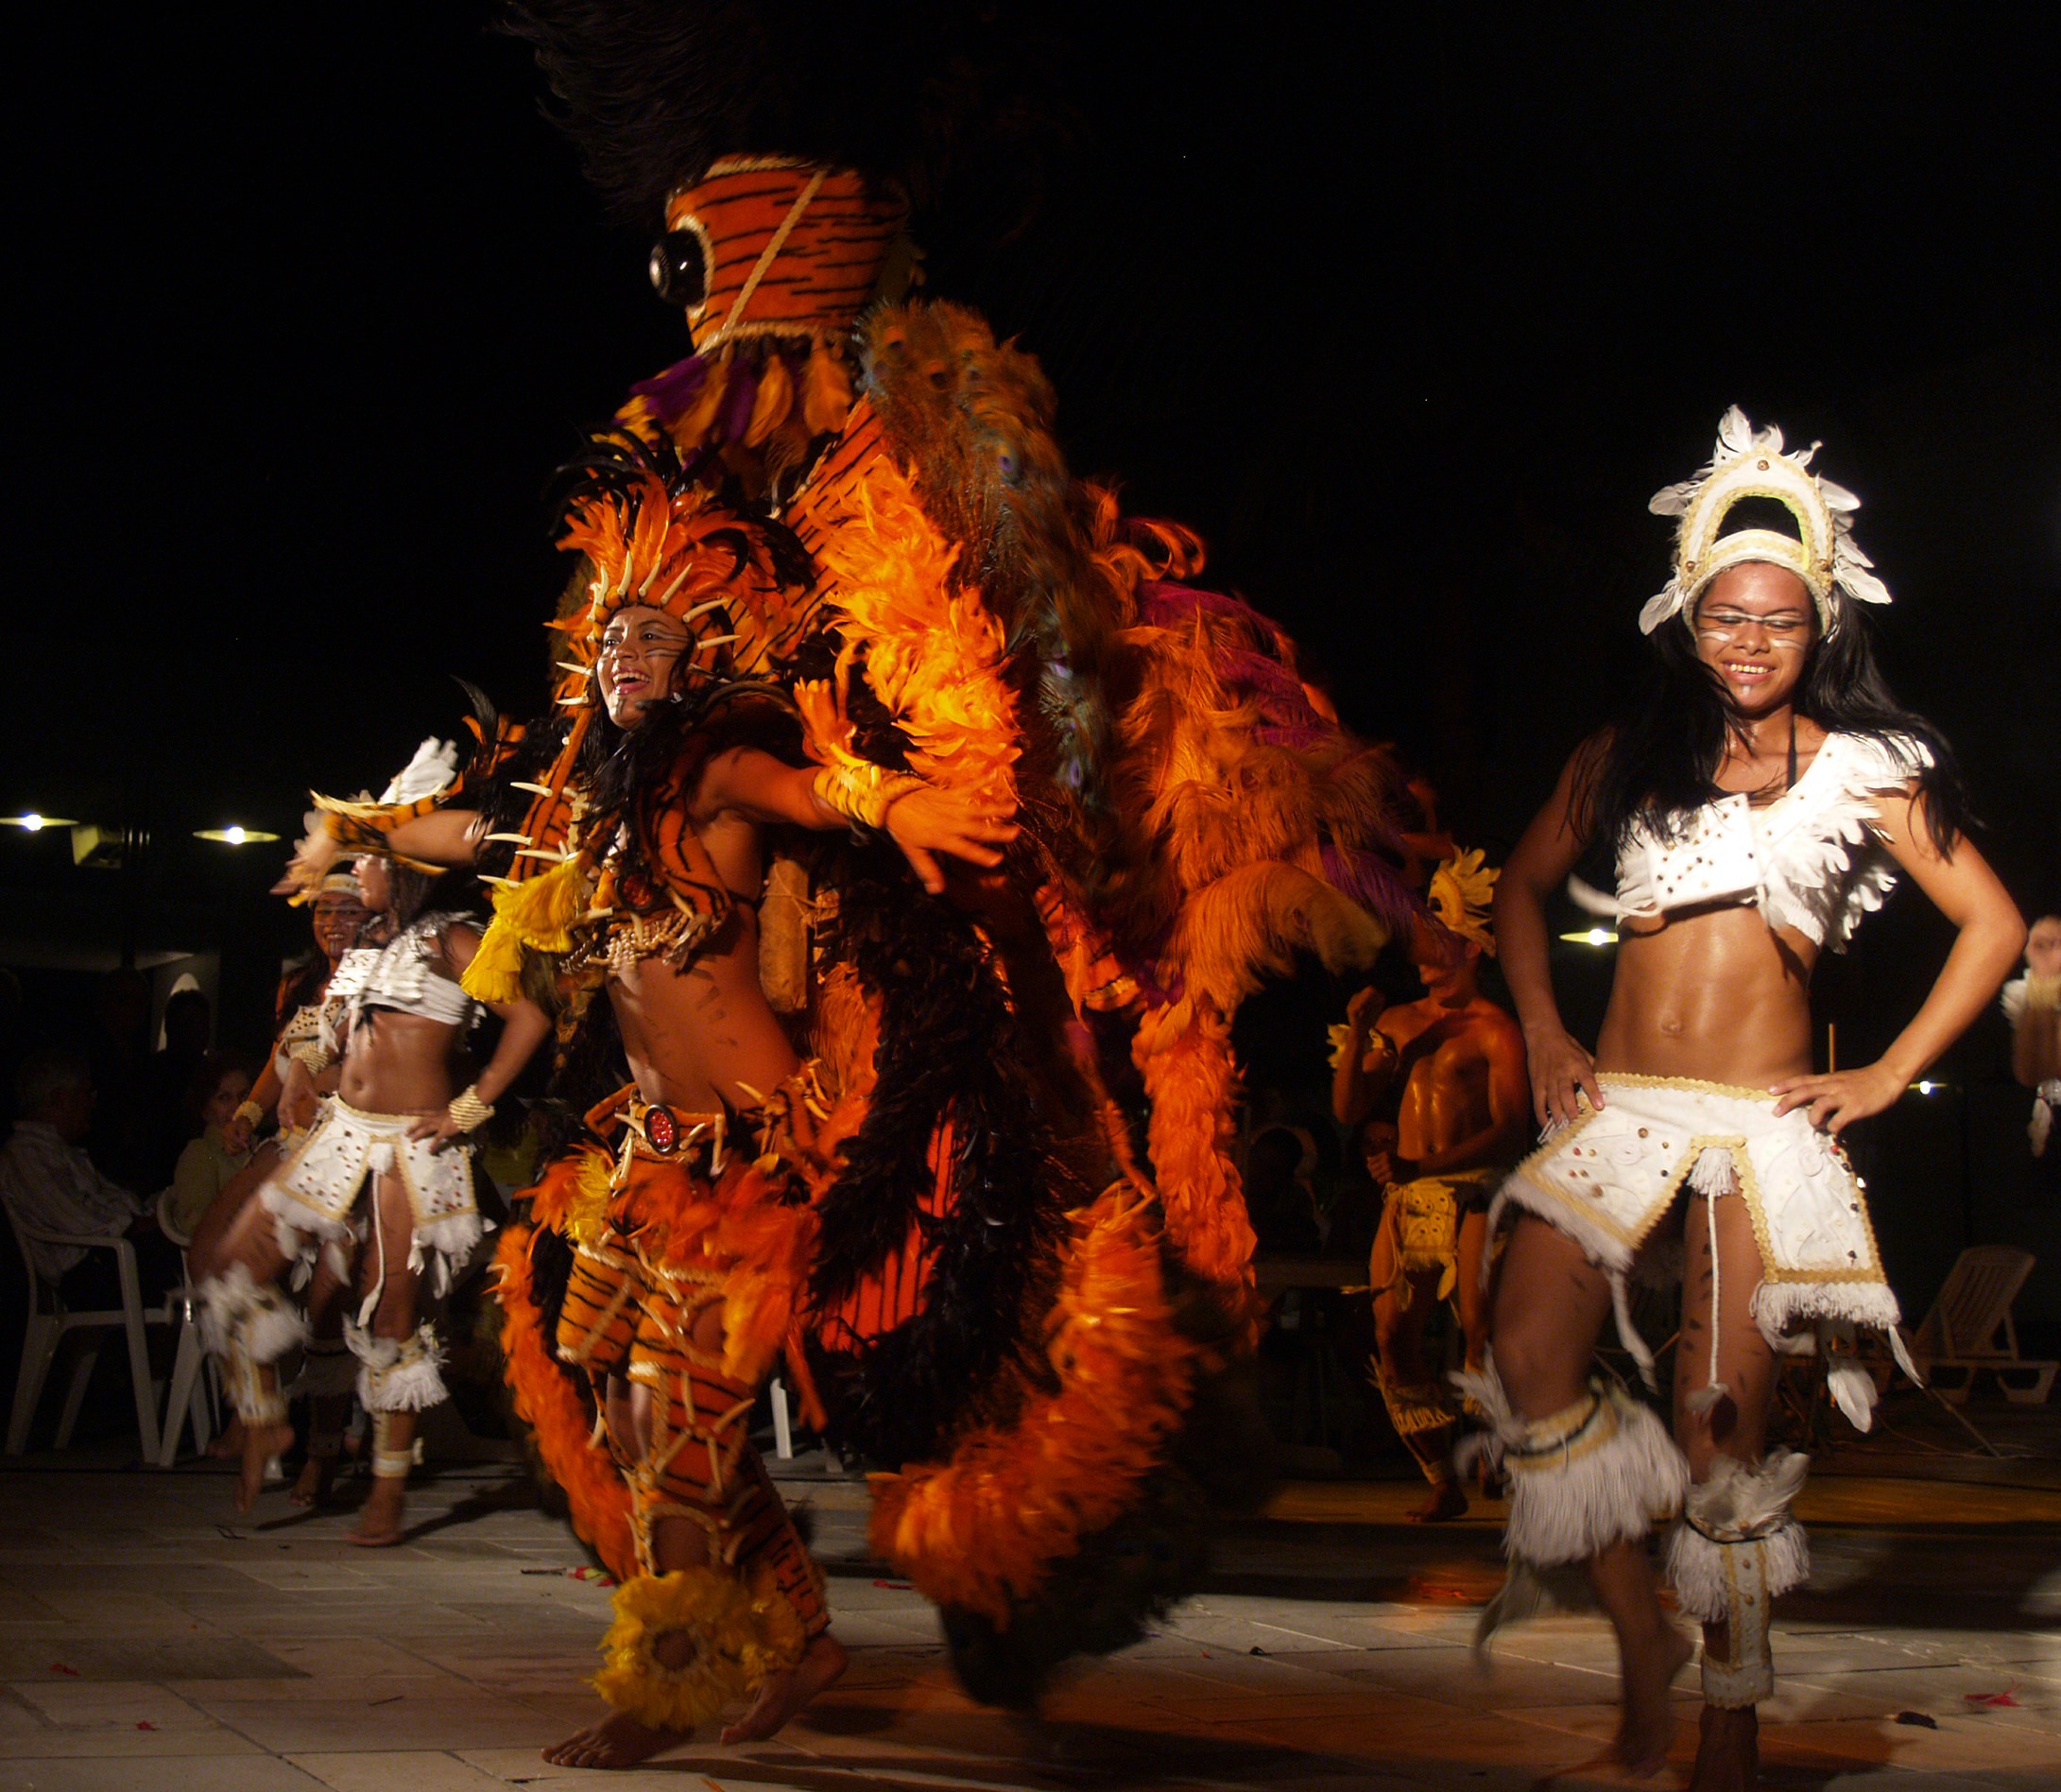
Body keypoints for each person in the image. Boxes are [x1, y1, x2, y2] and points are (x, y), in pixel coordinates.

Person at [1482, 409, 2025, 1785]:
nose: (1748, 642)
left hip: (1760, 1129)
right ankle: (1638, 1645)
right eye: (1726, 617)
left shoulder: (1865, 770)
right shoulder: (1622, 761)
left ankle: (1725, 1729)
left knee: (1716, 1433)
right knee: (1527, 1364)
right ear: (1689, 617)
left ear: (1818, 625)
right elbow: (1519, 894)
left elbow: (1995, 925)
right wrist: (1547, 1033)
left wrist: (1886, 1073)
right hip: (1620, 1114)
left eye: (1778, 622)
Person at [201, 744, 554, 1541]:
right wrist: (306, 1081)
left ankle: (388, 1490)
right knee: (233, 1268)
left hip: (411, 1146)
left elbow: (531, 1019)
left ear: (401, 871)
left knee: (395, 1311)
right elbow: (331, 1048)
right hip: (339, 1136)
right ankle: (263, 1417)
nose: (354, 880)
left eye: (364, 866)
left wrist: (469, 1109)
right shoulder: (361, 952)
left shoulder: (454, 941)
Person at [1332, 850, 1527, 1520]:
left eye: (1435, 930)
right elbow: (1349, 1111)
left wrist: (1425, 1169)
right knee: (1391, 1334)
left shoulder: (1496, 1030)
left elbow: (1509, 1127)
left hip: (1473, 1187)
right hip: (1408, 1195)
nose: (1419, 944)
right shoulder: (1397, 1022)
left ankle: (1499, 1448)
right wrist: (1358, 1035)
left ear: (1469, 949)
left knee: (1478, 1327)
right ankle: (1440, 1477)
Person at [0, 1048, 180, 1308]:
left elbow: (121, 1212)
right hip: (93, 1268)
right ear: (61, 1099)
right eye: (86, 1093)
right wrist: (151, 1224)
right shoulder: (25, 1154)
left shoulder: (62, 1152)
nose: (93, 1102)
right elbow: (81, 1221)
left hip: (114, 1253)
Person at [165, 1054, 255, 1243]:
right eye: (224, 1098)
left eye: (244, 1096)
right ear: (205, 1108)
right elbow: (197, 1225)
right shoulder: (201, 1153)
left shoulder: (264, 1146)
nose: (237, 1107)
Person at [2003, 913, 2061, 1159]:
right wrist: (2043, 980)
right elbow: (2031, 1073)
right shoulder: (2025, 994)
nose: (2047, 950)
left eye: (2055, 943)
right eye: (2040, 944)